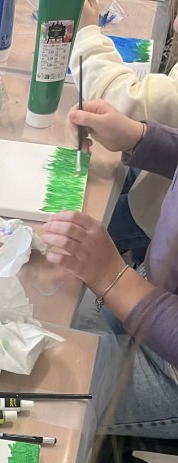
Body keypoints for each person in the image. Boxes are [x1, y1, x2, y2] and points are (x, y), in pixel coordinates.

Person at [45, 99, 178, 437]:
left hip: (170, 371)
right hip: (154, 287)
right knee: (44, 309)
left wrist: (112, 279)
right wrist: (140, 138)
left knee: (36, 390)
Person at [70, 0, 178, 261]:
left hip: (158, 212)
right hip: (158, 183)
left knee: (74, 247)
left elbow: (126, 103)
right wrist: (137, 137)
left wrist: (86, 33)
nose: (175, 25)